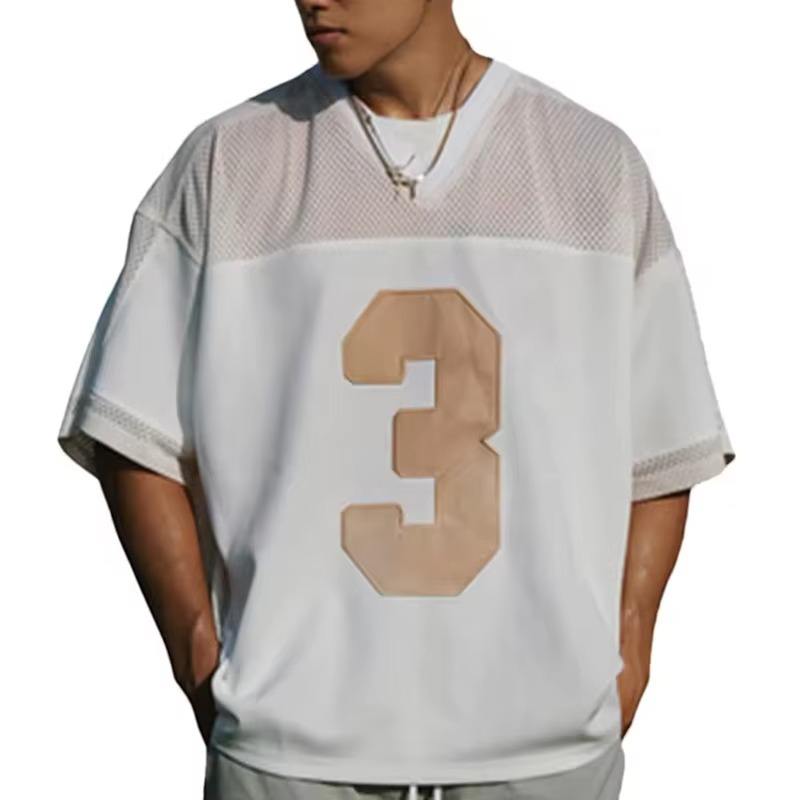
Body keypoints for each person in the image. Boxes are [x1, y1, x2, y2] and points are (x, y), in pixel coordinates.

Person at [56, 1, 736, 798]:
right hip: (290, 752)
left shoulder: (593, 167)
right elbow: (131, 430)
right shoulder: (227, 163)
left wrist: (629, 649)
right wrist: (197, 652)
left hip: (544, 749)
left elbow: (662, 444)